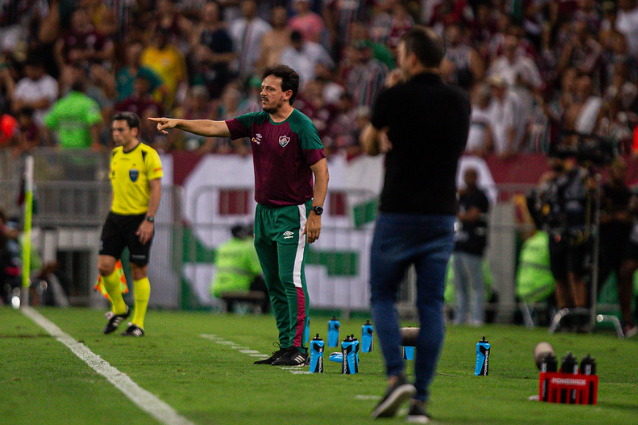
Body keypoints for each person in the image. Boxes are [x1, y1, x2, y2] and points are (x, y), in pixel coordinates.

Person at [150, 64, 329, 366]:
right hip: (263, 213)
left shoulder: (302, 126)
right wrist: (179, 122)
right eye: (262, 87)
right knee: (272, 281)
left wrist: (316, 213)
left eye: (270, 89)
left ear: (287, 94)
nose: (262, 92)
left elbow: (321, 172)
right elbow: (215, 127)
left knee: (291, 278)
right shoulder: (256, 121)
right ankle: (286, 346)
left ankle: (299, 349)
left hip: (292, 212)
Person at [360, 26, 470, 422]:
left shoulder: (394, 97)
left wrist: (385, 105)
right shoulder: (461, 101)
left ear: (411, 59)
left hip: (399, 213)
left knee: (383, 296)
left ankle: (395, 378)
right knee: (430, 306)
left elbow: (370, 145)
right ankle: (420, 401)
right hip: (441, 215)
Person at [98, 112, 163, 337]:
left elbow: (156, 188)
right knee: (104, 266)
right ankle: (119, 307)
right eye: (114, 130)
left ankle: (138, 323)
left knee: (138, 270)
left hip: (139, 219)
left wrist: (149, 219)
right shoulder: (115, 154)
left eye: (121, 130)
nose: (116, 134)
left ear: (134, 131)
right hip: (116, 217)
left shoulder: (148, 155)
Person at [452, 167, 490, 326]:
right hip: (459, 244)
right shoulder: (462, 196)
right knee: (459, 285)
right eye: (466, 175)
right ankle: (460, 318)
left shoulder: (479, 195)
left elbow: (473, 216)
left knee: (476, 284)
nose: (468, 179)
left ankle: (476, 318)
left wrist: (458, 215)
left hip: (473, 245)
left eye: (471, 175)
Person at [211, 223, 268, 313]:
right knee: (266, 286)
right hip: (239, 285)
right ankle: (261, 314)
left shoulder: (223, 247)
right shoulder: (248, 247)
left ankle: (229, 311)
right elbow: (257, 270)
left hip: (219, 286)